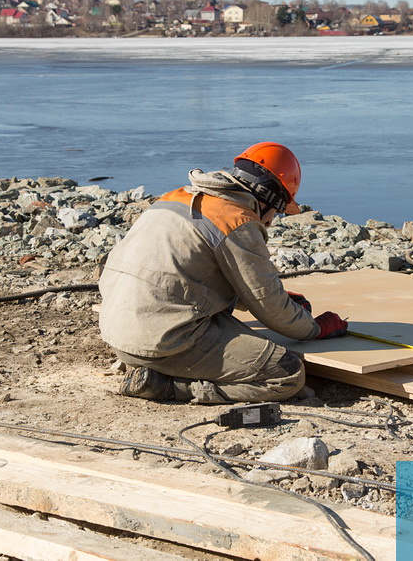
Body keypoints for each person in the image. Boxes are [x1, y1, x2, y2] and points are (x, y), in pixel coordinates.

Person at [98, 142, 349, 403]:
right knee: (286, 373)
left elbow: (193, 275)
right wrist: (314, 328)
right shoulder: (237, 220)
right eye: (277, 211)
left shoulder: (174, 198)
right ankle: (170, 387)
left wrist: (279, 297)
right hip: (162, 344)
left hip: (118, 333)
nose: (272, 221)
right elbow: (271, 309)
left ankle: (155, 368)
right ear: (269, 199)